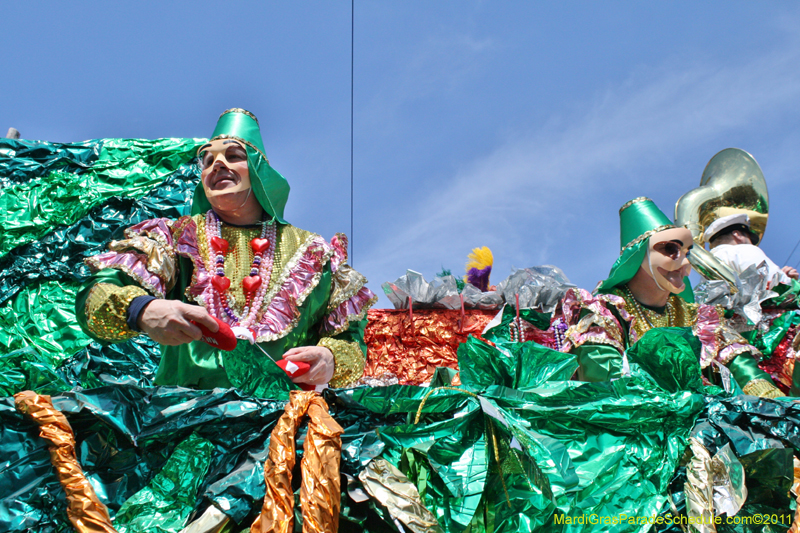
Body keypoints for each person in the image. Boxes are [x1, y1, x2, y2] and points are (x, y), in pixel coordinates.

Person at [75, 108, 377, 397]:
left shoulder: (313, 254)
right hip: (185, 422)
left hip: (284, 426)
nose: (217, 165)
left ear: (259, 171)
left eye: (233, 156)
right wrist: (141, 310)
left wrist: (329, 358)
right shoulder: (174, 238)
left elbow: (351, 340)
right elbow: (98, 295)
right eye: (207, 161)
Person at [553, 197, 785, 398]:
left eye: (686, 253)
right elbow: (607, 386)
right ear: (639, 256)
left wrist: (776, 406)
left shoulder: (700, 317)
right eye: (670, 250)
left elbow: (744, 370)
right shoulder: (603, 311)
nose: (683, 263)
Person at [704, 213, 799, 288]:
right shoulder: (742, 250)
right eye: (749, 238)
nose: (752, 244)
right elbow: (772, 283)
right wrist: (790, 281)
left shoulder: (707, 264)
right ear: (737, 235)